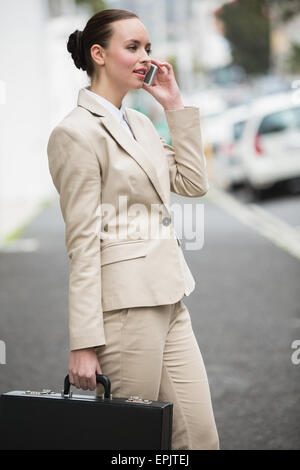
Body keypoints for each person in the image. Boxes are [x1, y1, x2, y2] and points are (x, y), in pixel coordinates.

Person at [47, 8, 220, 450]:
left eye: (148, 48)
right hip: (124, 312)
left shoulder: (140, 122)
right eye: (133, 47)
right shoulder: (75, 133)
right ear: (99, 54)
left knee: (198, 438)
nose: (146, 57)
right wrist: (84, 344)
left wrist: (174, 106)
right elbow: (82, 242)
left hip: (170, 296)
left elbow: (192, 182)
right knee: (133, 445)